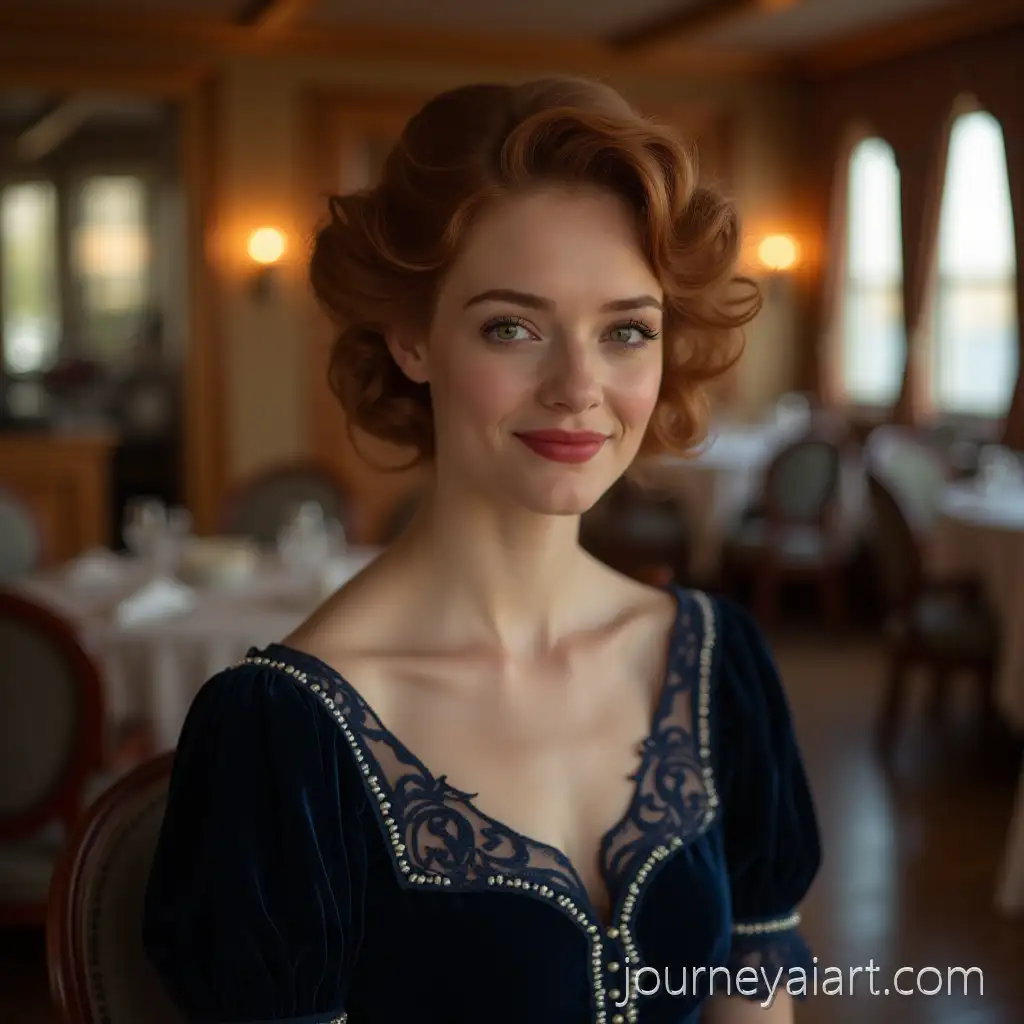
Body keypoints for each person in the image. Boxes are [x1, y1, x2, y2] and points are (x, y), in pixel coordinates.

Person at [142, 76, 820, 1024]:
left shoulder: (719, 664)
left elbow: (758, 996)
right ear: (413, 338)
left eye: (627, 330)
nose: (580, 386)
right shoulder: (285, 735)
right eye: (514, 326)